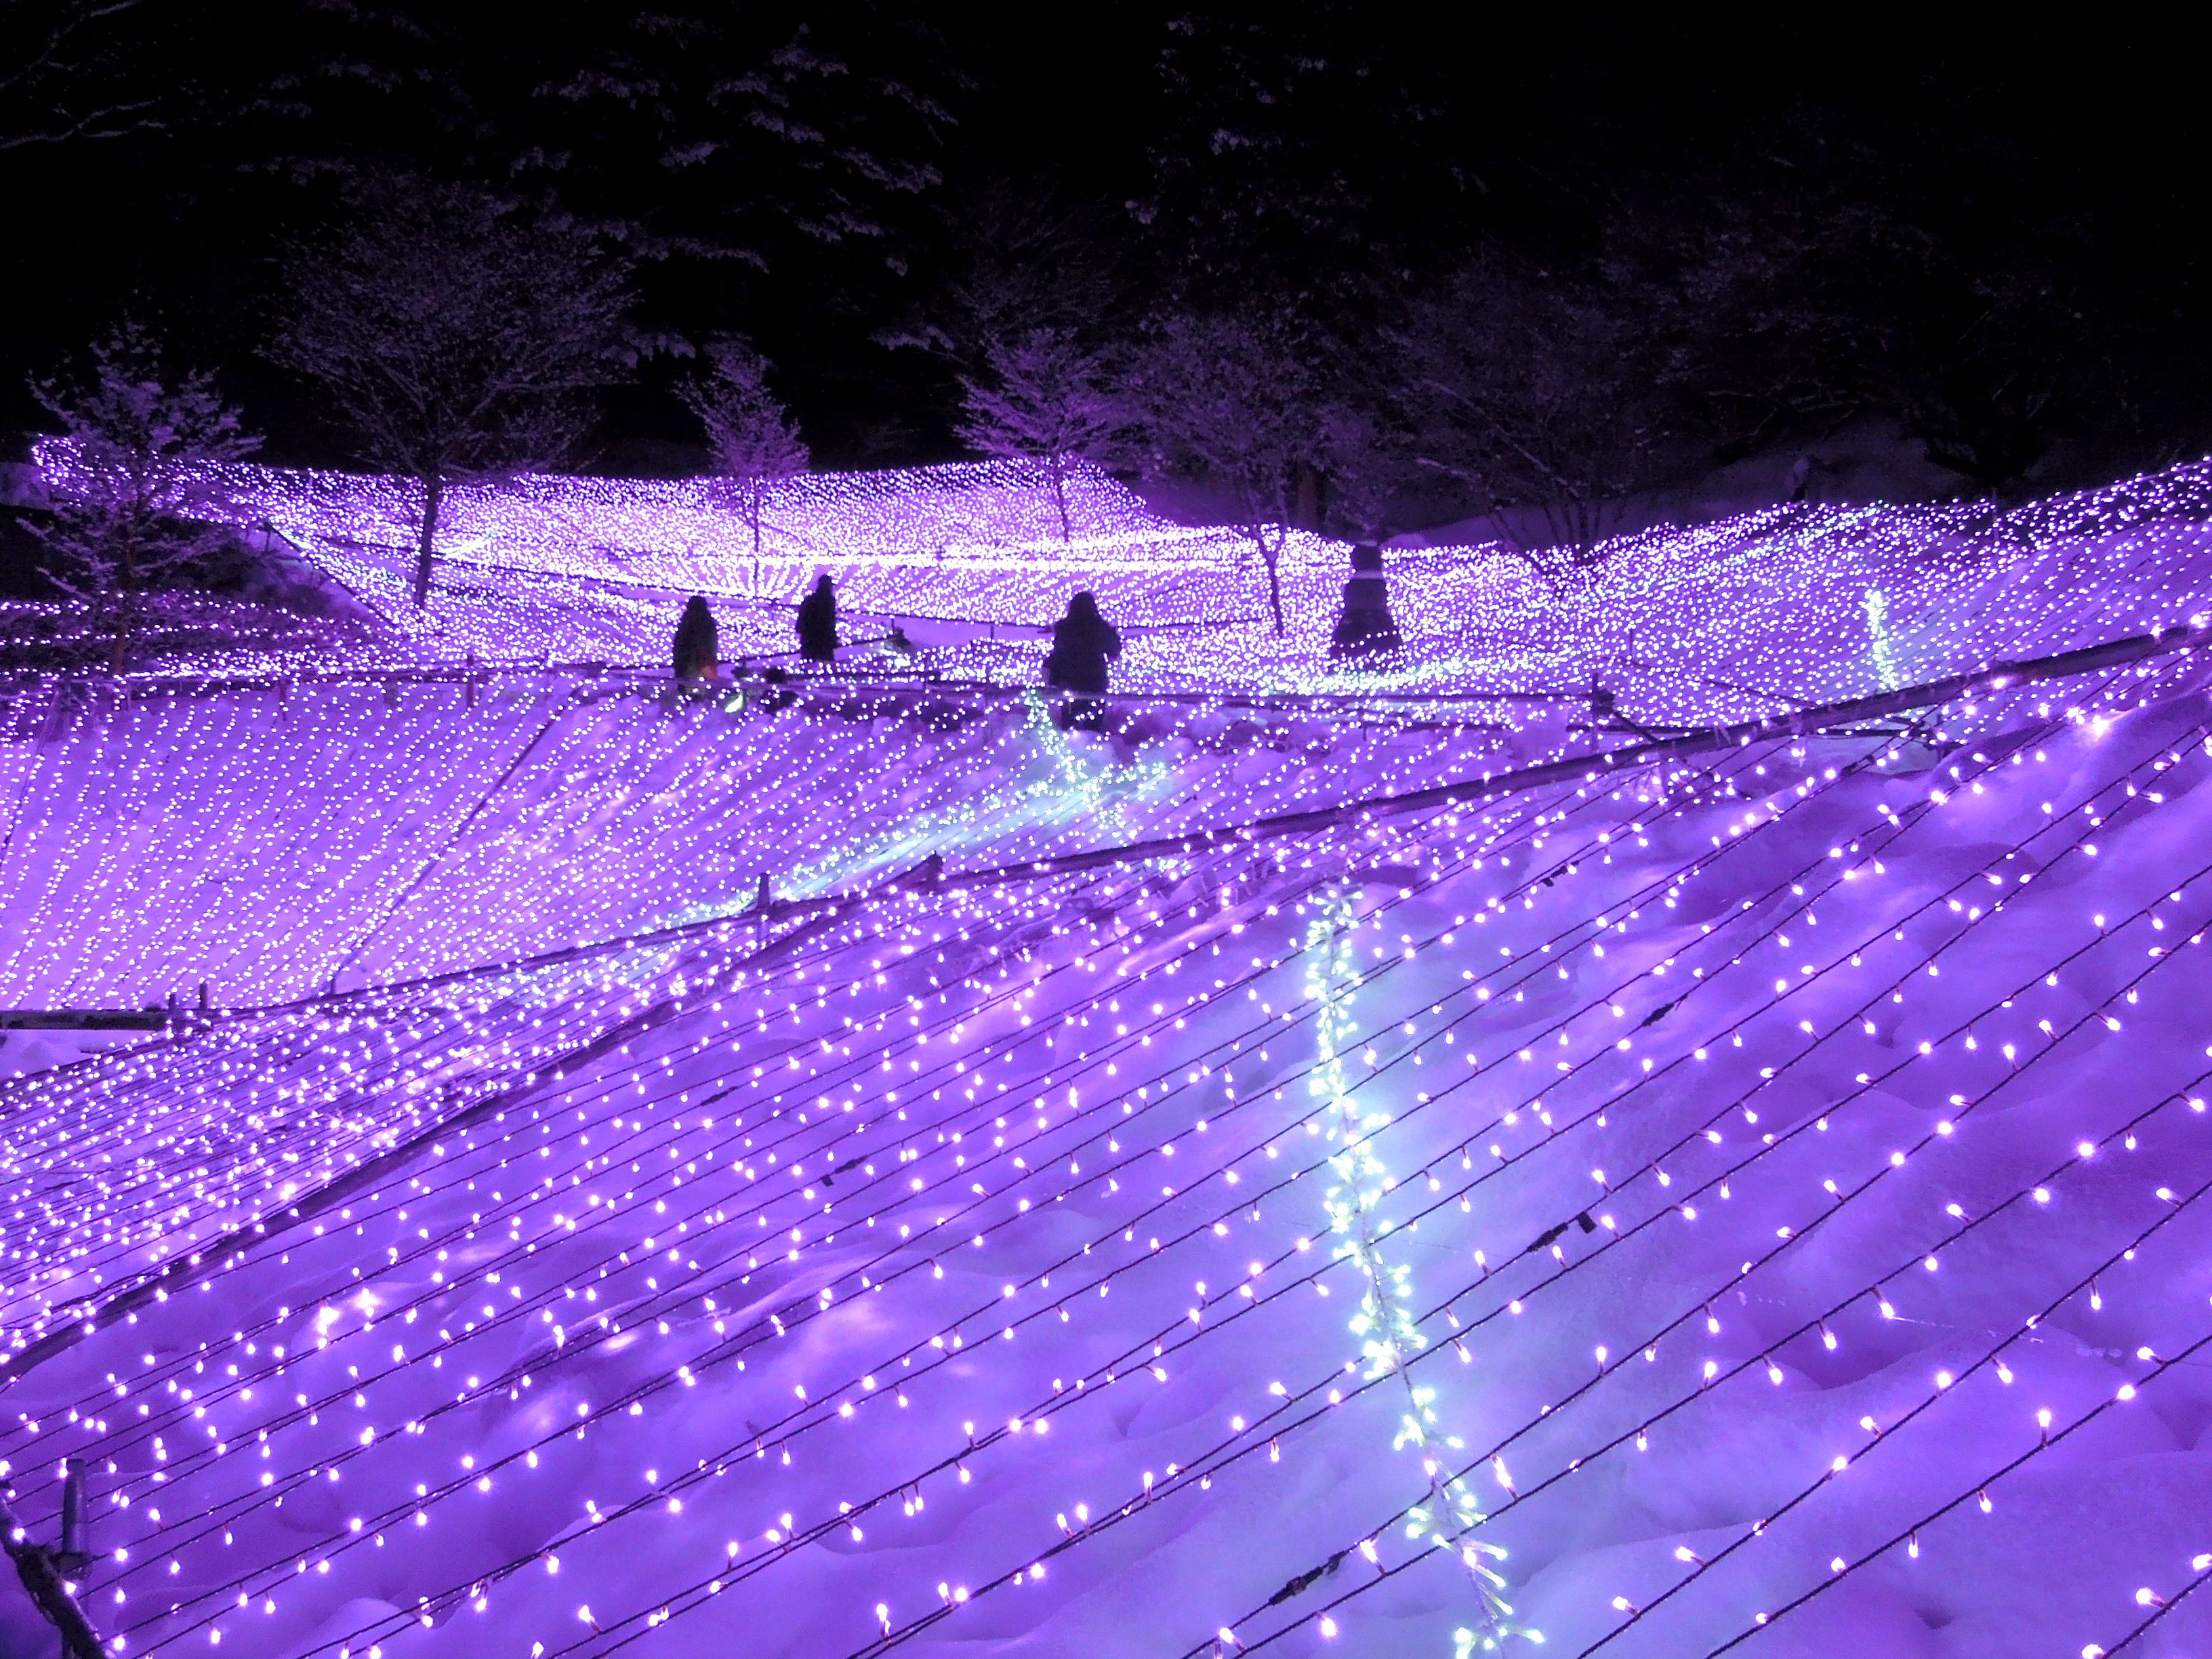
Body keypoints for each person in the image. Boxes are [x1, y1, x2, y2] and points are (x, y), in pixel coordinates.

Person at [1043, 589, 1122, 729]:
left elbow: (1059, 651)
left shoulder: (1064, 627)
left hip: (1069, 680)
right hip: (1095, 681)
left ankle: (1072, 744)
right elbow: (1114, 651)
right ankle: (1092, 745)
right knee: (1093, 721)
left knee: (1070, 720)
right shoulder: (1100, 627)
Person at [672, 594, 718, 680]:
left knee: (687, 684)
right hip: (702, 663)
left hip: (686, 663)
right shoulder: (707, 623)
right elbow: (712, 644)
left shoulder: (685, 622)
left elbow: (678, 645)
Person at [796, 572, 838, 663]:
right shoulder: (829, 602)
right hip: (824, 641)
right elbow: (830, 622)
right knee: (826, 668)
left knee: (808, 666)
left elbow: (801, 621)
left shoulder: (810, 600)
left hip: (809, 640)